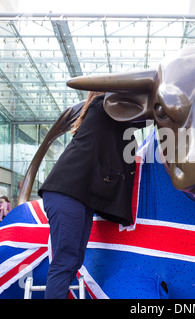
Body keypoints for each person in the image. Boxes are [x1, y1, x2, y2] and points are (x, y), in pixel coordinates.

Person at [38, 91, 143, 299]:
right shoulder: (102, 106)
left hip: (77, 196)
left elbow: (141, 120)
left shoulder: (105, 115)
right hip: (66, 193)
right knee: (65, 261)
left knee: (73, 260)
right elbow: (139, 115)